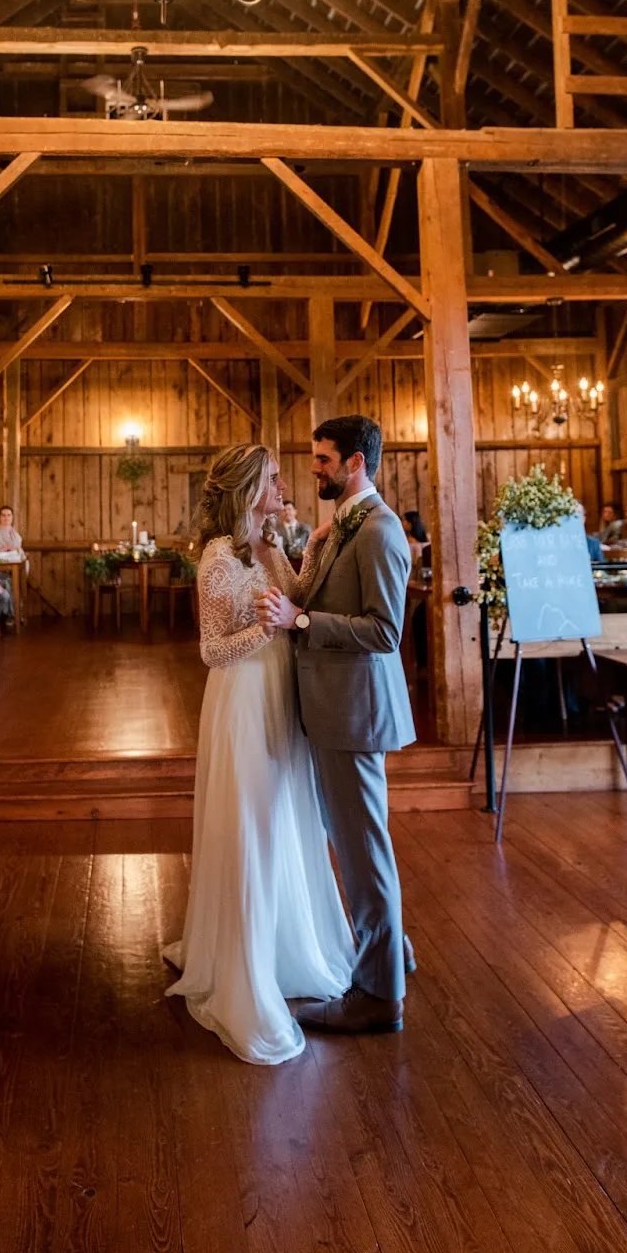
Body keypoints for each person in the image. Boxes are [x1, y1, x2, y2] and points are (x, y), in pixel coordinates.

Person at [163, 443, 354, 1064]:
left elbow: (295, 596)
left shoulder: (268, 543)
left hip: (279, 690)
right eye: (273, 478)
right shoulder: (218, 557)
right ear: (248, 489)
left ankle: (289, 946)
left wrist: (312, 549)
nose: (283, 485)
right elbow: (212, 650)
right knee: (252, 819)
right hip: (243, 695)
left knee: (286, 814)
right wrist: (267, 626)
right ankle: (243, 967)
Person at [260, 413, 416, 1038]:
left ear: (355, 463)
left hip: (355, 713)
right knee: (357, 845)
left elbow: (384, 632)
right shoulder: (346, 525)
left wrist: (299, 621)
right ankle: (394, 954)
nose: (314, 468)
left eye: (324, 459)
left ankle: (379, 995)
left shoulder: (379, 530)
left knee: (363, 853)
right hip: (335, 710)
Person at [0, 506, 27, 572]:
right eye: (3, 515)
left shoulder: (17, 536)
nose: (6, 518)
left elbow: (21, 554)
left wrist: (15, 549)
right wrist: (1, 549)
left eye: (9, 515)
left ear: (12, 517)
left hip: (14, 568)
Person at [278, 498, 311, 564]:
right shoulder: (276, 530)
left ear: (295, 511)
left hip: (302, 562)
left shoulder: (305, 528)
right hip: (283, 563)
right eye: (284, 510)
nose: (287, 512)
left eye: (289, 509)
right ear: (281, 513)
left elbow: (311, 545)